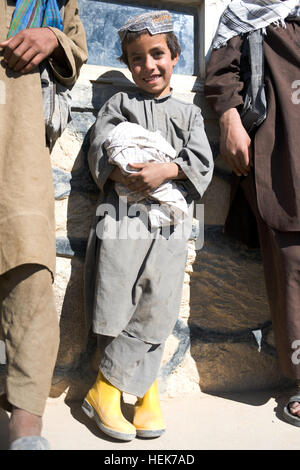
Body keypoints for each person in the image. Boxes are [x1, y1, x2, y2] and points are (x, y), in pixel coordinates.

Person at [83, 10, 213, 441]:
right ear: (127, 63)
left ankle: (120, 388)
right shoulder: (121, 104)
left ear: (174, 55)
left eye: (157, 54)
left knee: (159, 302)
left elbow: (200, 163)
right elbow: (103, 144)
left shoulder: (188, 113)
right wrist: (121, 170)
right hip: (122, 219)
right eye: (136, 59)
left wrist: (167, 171)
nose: (148, 66)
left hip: (170, 225)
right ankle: (131, 390)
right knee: (116, 295)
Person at [204, 0, 300, 426]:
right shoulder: (242, 15)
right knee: (293, 262)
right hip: (285, 151)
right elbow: (222, 74)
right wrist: (229, 120)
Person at [0, 0, 87, 450]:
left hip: (19, 141)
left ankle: (24, 431)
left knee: (31, 273)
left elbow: (76, 47)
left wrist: (52, 37)